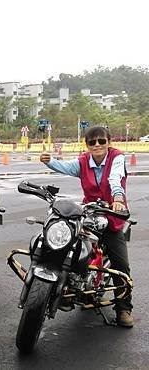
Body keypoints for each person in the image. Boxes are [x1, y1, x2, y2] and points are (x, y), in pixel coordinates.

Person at [41, 126, 133, 327]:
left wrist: (117, 198)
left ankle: (124, 308)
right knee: (69, 245)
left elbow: (115, 179)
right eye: (92, 142)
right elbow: (66, 167)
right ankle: (69, 287)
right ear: (87, 145)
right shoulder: (83, 161)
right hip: (90, 212)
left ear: (109, 142)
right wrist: (50, 162)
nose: (97, 145)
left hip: (112, 214)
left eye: (102, 141)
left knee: (121, 265)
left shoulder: (117, 158)